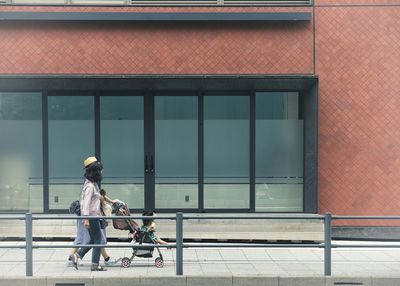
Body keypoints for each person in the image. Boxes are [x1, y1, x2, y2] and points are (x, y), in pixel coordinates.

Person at [71, 156, 107, 271]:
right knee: (98, 241)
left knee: (93, 240)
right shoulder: (90, 186)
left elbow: (96, 199)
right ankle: (95, 265)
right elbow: (85, 204)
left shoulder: (91, 184)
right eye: (99, 170)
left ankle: (77, 256)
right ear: (94, 172)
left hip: (92, 216)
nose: (101, 172)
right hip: (92, 217)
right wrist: (86, 219)